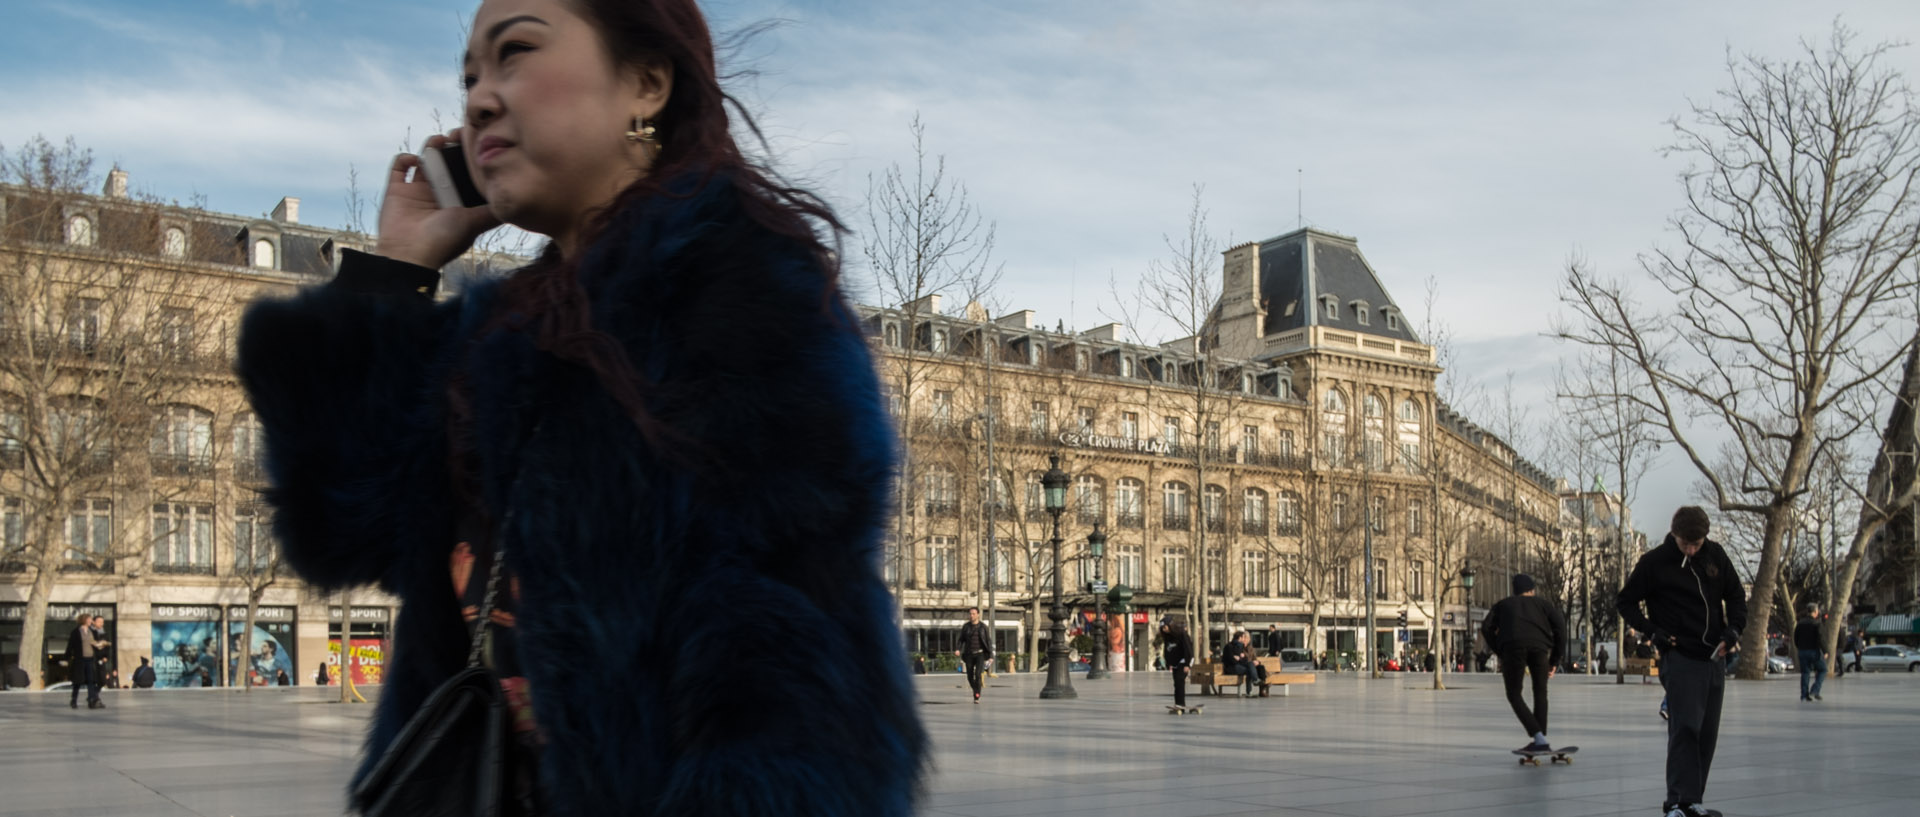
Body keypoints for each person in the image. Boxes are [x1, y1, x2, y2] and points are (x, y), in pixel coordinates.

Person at [233, 1, 925, 812]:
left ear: (646, 83)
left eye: (516, 52)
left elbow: (792, 700)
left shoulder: (745, 304)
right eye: (469, 77)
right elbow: (339, 533)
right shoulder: (500, 337)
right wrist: (396, 275)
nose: (480, 99)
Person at [1618, 506, 1746, 817]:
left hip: (1714, 655)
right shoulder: (1655, 563)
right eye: (1684, 543)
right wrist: (1652, 631)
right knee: (1685, 728)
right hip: (1679, 654)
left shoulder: (1715, 555)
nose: (1690, 549)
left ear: (1705, 537)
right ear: (1674, 535)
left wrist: (1733, 630)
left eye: (1696, 544)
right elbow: (1625, 601)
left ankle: (1693, 800)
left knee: (1706, 731)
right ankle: (1676, 801)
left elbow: (1737, 596)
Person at [1480, 573, 1566, 753]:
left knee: (1514, 694)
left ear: (1515, 591)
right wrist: (1554, 660)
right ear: (1532, 590)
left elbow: (1486, 627)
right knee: (1540, 691)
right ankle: (1540, 736)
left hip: (1513, 648)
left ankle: (1539, 738)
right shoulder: (1544, 605)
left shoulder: (1503, 605)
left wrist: (1499, 649)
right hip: (1540, 649)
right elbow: (1560, 629)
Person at [65, 613, 105, 709]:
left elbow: (94, 642)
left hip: (90, 659)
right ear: (84, 620)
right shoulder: (76, 632)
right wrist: (67, 657)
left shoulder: (92, 631)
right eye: (89, 619)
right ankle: (74, 700)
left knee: (91, 681)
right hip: (80, 660)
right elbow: (70, 645)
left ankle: (92, 701)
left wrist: (99, 645)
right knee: (78, 681)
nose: (91, 621)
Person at [955, 607, 994, 704]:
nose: (971, 616)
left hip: (980, 654)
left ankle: (976, 695)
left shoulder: (983, 627)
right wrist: (958, 649)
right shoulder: (966, 627)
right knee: (969, 676)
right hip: (969, 654)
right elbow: (961, 639)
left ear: (978, 615)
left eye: (973, 614)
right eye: (970, 614)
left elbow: (988, 641)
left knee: (978, 675)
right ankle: (976, 690)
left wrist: (991, 656)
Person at [1793, 605, 1827, 702]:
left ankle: (1804, 695)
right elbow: (1820, 638)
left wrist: (1799, 647)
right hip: (1813, 650)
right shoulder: (1817, 624)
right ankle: (1815, 690)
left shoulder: (1800, 624)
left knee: (1805, 673)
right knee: (1823, 669)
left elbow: (1796, 638)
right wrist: (1825, 651)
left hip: (1802, 651)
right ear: (1815, 612)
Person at [1161, 616, 1195, 708]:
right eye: (1162, 628)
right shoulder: (1168, 637)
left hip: (1184, 662)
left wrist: (1188, 665)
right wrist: (1168, 663)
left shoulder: (1182, 634)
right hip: (1175, 663)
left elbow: (1189, 649)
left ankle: (1181, 703)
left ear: (1170, 625)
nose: (1164, 630)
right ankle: (1178, 704)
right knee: (1176, 683)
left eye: (1165, 627)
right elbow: (1167, 651)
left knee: (1180, 682)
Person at [1220, 630, 1265, 697]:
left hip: (1238, 665)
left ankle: (1255, 681)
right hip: (1231, 668)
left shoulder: (1240, 646)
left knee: (1250, 664)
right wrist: (1239, 658)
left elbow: (1244, 659)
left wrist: (1240, 658)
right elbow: (1231, 660)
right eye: (1243, 637)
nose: (1244, 639)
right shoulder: (1229, 646)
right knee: (1249, 670)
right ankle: (1250, 689)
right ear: (1240, 637)